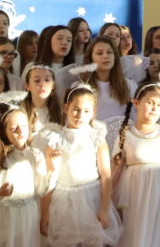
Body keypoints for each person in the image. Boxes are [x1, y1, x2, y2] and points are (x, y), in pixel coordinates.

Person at [47, 85, 122, 247]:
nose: (80, 115)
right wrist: (45, 211)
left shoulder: (96, 137)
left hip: (91, 199)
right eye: (76, 109)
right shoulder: (55, 138)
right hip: (64, 201)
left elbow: (106, 176)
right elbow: (49, 178)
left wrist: (104, 208)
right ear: (66, 108)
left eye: (86, 111)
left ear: (93, 112)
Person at [112, 82, 160, 247]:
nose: (154, 108)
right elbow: (115, 172)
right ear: (136, 103)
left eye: (159, 105)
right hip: (135, 197)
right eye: (150, 103)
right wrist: (112, 205)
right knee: (136, 238)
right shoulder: (125, 135)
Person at [0, 107, 58, 246]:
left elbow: (41, 190)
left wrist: (52, 170)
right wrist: (0, 192)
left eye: (24, 126)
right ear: (4, 132)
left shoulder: (36, 155)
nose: (20, 131)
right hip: (6, 217)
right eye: (14, 128)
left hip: (28, 214)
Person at [77, 36, 137, 123]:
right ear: (90, 58)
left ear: (115, 57)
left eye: (109, 52)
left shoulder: (129, 85)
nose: (105, 56)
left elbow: (136, 119)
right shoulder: (81, 87)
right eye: (99, 53)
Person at [21, 63, 65, 148]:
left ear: (53, 85)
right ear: (27, 85)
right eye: (37, 81)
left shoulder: (61, 112)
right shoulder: (21, 112)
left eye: (47, 80)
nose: (42, 84)